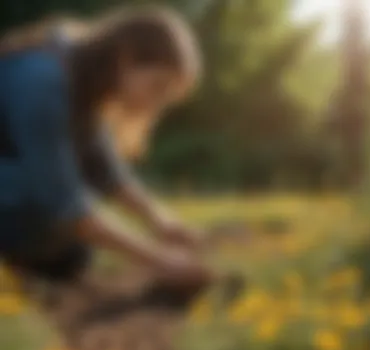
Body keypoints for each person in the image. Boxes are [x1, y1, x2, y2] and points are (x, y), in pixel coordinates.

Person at [0, 5, 215, 292]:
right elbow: (65, 203)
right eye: (156, 86)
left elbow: (106, 171)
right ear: (124, 58)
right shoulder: (44, 82)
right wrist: (160, 260)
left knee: (72, 255)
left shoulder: (83, 79)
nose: (155, 105)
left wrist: (161, 221)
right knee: (46, 214)